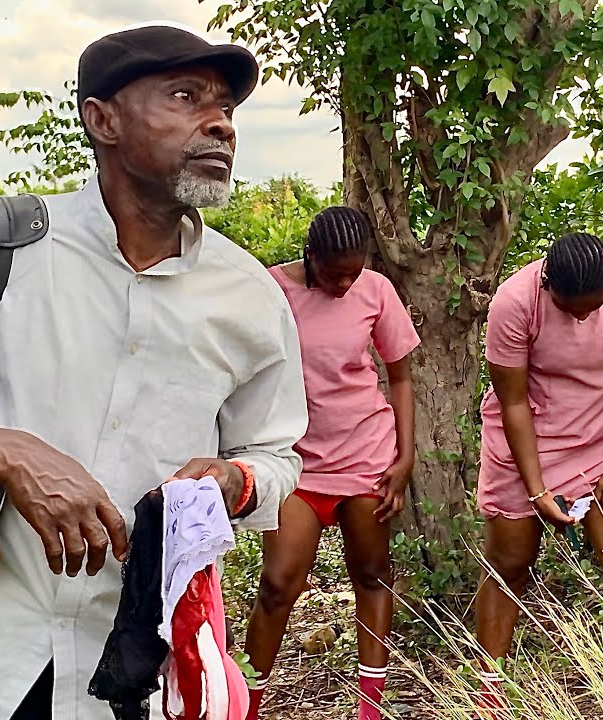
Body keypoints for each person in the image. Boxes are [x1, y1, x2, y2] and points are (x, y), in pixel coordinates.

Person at [0, 25, 308, 720]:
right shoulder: (3, 246)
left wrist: (236, 481)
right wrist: (7, 453)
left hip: (155, 663)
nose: (220, 124)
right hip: (2, 661)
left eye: (225, 107)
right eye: (185, 96)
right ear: (101, 119)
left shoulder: (249, 294)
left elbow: (274, 454)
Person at [473, 232, 603, 720]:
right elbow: (514, 402)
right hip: (526, 443)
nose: (582, 317)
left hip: (602, 436)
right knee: (510, 565)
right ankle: (488, 695)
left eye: (593, 307)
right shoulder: (515, 303)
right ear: (547, 286)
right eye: (571, 309)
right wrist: (537, 489)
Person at [241, 207, 420, 720]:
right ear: (310, 256)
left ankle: (369, 707)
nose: (345, 283)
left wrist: (405, 457)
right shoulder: (271, 289)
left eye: (354, 271)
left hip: (367, 457)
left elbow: (400, 376)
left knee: (371, 574)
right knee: (278, 584)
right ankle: (248, 701)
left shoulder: (375, 291)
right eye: (334, 272)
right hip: (295, 464)